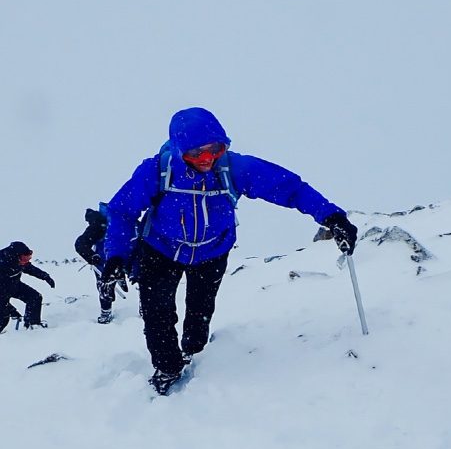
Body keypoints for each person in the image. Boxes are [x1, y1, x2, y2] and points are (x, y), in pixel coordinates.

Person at [101, 107, 358, 395]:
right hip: (160, 248)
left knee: (200, 311)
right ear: (179, 149)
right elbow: (121, 211)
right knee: (156, 312)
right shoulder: (156, 171)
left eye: (215, 149)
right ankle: (167, 367)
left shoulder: (233, 168)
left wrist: (332, 217)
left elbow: (289, 188)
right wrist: (115, 256)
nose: (207, 159)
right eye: (197, 153)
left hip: (212, 250)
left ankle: (193, 351)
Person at [75, 203, 122, 324]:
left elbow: (80, 244)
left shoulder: (123, 221)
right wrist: (92, 257)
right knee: (105, 285)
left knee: (105, 285)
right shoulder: (98, 226)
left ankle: (106, 312)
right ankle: (106, 312)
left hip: (118, 257)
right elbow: (80, 244)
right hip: (104, 260)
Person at [0, 242, 55, 331]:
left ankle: (32, 325)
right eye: (24, 258)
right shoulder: (3, 264)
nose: (26, 261)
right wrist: (11, 309)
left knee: (35, 297)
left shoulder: (19, 262)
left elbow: (30, 269)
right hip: (2, 291)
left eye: (28, 258)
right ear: (16, 256)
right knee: (3, 318)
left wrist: (45, 277)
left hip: (14, 285)